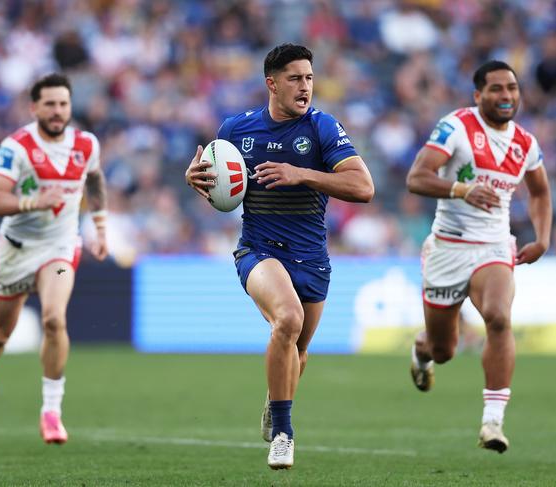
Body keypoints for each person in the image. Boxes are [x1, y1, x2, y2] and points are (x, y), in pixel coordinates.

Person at [185, 43, 374, 469]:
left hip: (312, 259)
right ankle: (285, 433)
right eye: (295, 78)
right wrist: (193, 177)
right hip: (260, 249)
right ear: (272, 83)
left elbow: (364, 188)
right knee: (287, 319)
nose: (305, 86)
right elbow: (214, 182)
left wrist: (302, 174)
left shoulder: (323, 128)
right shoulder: (236, 129)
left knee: (298, 351)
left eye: (309, 77)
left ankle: (276, 400)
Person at [406, 60, 552, 453]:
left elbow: (539, 191)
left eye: (512, 88)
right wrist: (461, 190)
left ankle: (492, 422)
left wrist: (541, 238)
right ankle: (422, 352)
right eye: (497, 89)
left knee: (499, 318)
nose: (506, 96)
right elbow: (416, 177)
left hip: (493, 246)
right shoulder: (456, 127)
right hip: (448, 247)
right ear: (478, 95)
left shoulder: (525, 143)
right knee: (444, 350)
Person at [0, 73, 108, 444]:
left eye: (64, 104)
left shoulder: (86, 144)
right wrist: (33, 201)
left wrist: (101, 228)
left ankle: (51, 412)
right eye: (50, 104)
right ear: (34, 107)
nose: (58, 112)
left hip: (59, 248)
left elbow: (95, 180)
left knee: (54, 319)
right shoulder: (17, 147)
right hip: (15, 250)